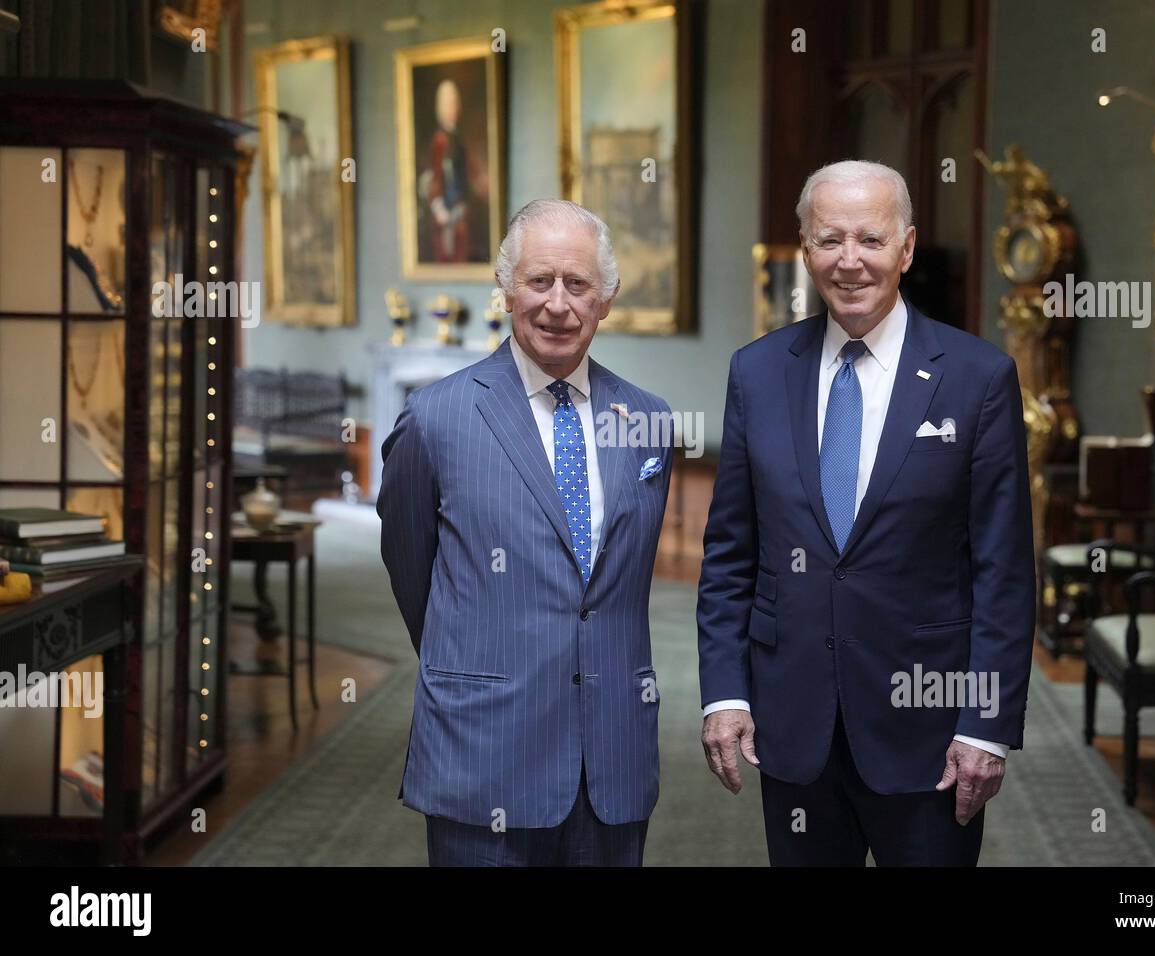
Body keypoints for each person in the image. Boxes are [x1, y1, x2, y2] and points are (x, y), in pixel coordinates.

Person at [696, 160, 1035, 865]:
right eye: (830, 240)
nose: (850, 262)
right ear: (805, 246)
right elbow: (730, 555)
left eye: (871, 241)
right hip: (792, 726)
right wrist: (724, 693)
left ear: (906, 248)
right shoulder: (756, 372)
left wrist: (986, 726)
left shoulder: (977, 378)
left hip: (931, 732)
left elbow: (1003, 571)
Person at [378, 198, 674, 866]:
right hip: (484, 752)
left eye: (578, 285)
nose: (558, 304)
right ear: (507, 289)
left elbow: (618, 587)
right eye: (540, 281)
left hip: (613, 759)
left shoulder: (648, 422)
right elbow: (410, 566)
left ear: (607, 299)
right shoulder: (436, 419)